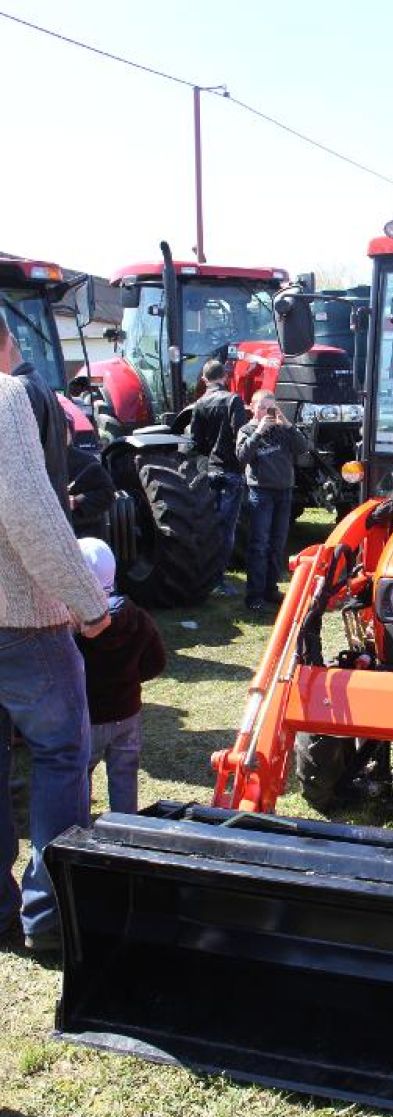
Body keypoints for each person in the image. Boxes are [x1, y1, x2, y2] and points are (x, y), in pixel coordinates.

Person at [0, 373, 110, 954]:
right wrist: (86, 600)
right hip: (18, 620)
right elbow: (29, 508)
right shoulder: (6, 394)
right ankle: (50, 915)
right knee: (63, 753)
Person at [76, 538, 166, 813]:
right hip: (127, 712)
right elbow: (156, 663)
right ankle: (125, 828)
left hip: (87, 717)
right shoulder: (138, 617)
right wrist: (129, 679)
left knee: (78, 775)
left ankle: (77, 827)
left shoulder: (73, 627)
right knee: (124, 774)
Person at [236, 390, 305, 613]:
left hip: (283, 492)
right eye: (263, 407)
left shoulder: (282, 430)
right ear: (253, 407)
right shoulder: (246, 430)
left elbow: (303, 448)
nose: (267, 412)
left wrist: (287, 424)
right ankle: (254, 595)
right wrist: (258, 431)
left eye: (271, 407)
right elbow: (242, 457)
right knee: (259, 544)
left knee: (277, 543)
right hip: (261, 492)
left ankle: (270, 589)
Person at [0, 311, 70, 516]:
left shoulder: (17, 395)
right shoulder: (41, 386)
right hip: (54, 514)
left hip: (35, 522)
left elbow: (19, 481)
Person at [187, 359, 247, 595]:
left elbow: (196, 441)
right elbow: (239, 432)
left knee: (210, 524)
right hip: (231, 469)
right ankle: (218, 578)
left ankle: (207, 572)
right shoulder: (233, 400)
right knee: (226, 528)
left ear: (204, 379)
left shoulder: (199, 404)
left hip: (208, 470)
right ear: (225, 377)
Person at [65, 411, 116, 540]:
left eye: (63, 429)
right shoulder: (36, 462)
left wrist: (76, 501)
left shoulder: (88, 463)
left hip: (83, 532)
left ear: (70, 434)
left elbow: (108, 493)